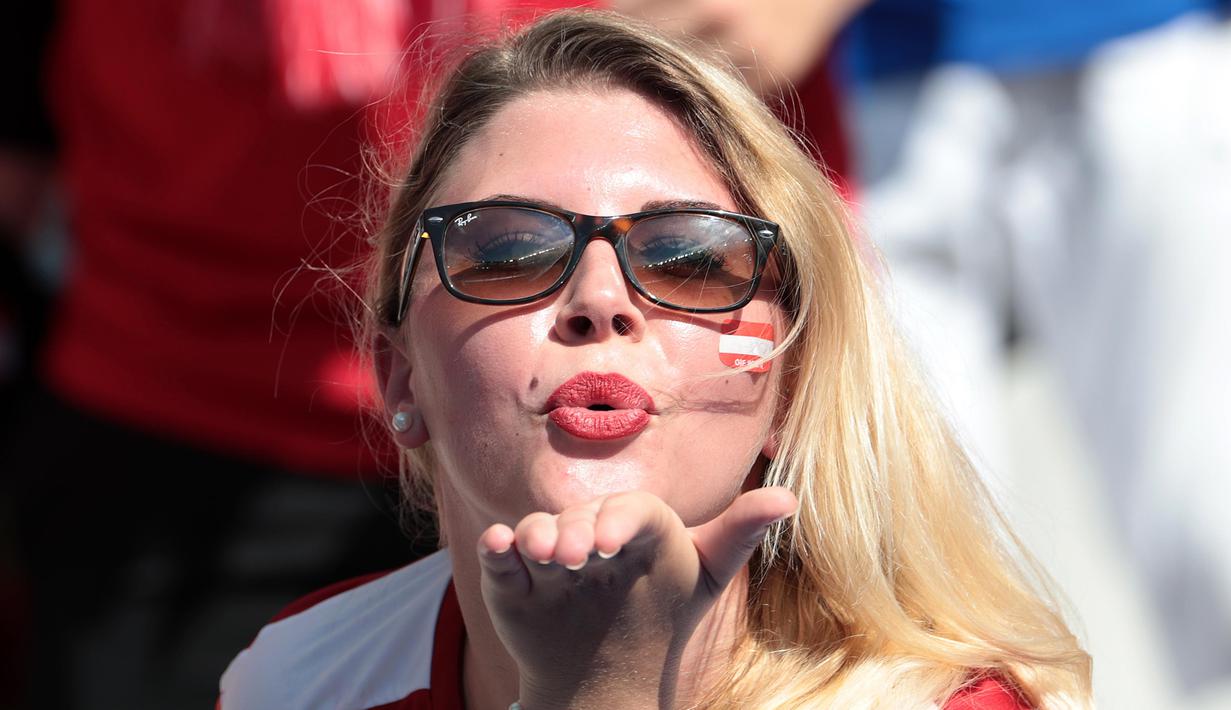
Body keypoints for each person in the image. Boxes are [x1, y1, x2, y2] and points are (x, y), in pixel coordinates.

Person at [219, 10, 1092, 709]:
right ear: (397, 373)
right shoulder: (295, 680)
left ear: (791, 383)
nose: (601, 299)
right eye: (512, 250)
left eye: (689, 260)